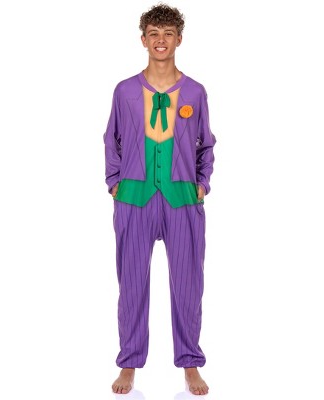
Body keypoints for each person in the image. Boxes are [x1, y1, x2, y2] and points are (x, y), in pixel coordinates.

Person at [103, 3, 216, 396]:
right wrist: (114, 182)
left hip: (182, 198)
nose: (161, 40)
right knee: (132, 284)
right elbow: (112, 140)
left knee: (188, 285)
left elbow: (206, 144)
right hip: (134, 197)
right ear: (143, 40)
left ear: (179, 39)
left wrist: (202, 184)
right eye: (154, 33)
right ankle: (129, 362)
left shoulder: (196, 91)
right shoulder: (125, 91)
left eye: (168, 33)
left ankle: (190, 363)